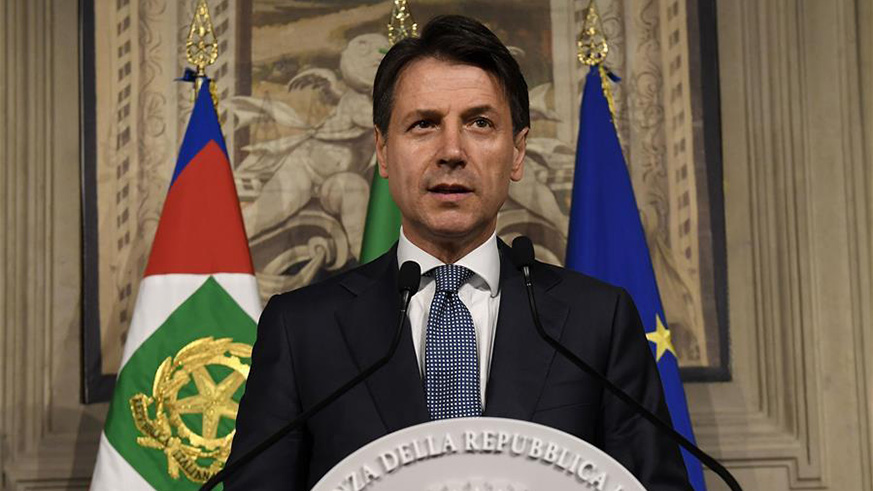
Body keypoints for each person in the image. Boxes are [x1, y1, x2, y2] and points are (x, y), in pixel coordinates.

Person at [227, 15, 691, 490]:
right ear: (383, 151)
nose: (451, 150)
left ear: (517, 152)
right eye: (424, 124)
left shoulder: (598, 321)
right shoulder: (302, 328)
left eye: (480, 123)